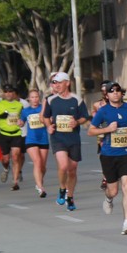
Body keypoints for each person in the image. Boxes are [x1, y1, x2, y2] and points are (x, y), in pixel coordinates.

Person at [88, 81, 127, 234]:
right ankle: (108, 198)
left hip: (126, 153)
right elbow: (91, 131)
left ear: (121, 93)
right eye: (112, 91)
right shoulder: (103, 111)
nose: (115, 93)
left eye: (118, 90)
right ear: (107, 95)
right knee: (113, 191)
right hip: (109, 155)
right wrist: (107, 129)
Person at [43, 71, 89, 211]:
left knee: (72, 170)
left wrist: (77, 122)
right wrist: (49, 126)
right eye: (55, 83)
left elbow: (84, 117)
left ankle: (70, 197)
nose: (57, 85)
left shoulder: (77, 100)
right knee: (63, 166)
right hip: (58, 138)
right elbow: (45, 116)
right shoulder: (51, 100)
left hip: (73, 139)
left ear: (67, 83)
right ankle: (62, 188)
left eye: (59, 83)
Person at [0, 85, 25, 190]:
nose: (8, 94)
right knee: (6, 159)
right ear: (4, 93)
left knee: (16, 156)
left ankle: (15, 182)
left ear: (13, 93)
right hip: (3, 134)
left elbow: (23, 117)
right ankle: (6, 169)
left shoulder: (19, 105)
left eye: (10, 91)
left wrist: (22, 122)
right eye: (6, 92)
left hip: (16, 133)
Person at [21, 89, 50, 197]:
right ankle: (40, 187)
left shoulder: (44, 108)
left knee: (42, 166)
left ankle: (39, 182)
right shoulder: (25, 111)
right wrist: (19, 122)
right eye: (32, 97)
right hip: (31, 140)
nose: (34, 99)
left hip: (43, 139)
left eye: (36, 97)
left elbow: (49, 119)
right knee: (37, 161)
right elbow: (21, 122)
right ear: (29, 99)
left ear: (39, 98)